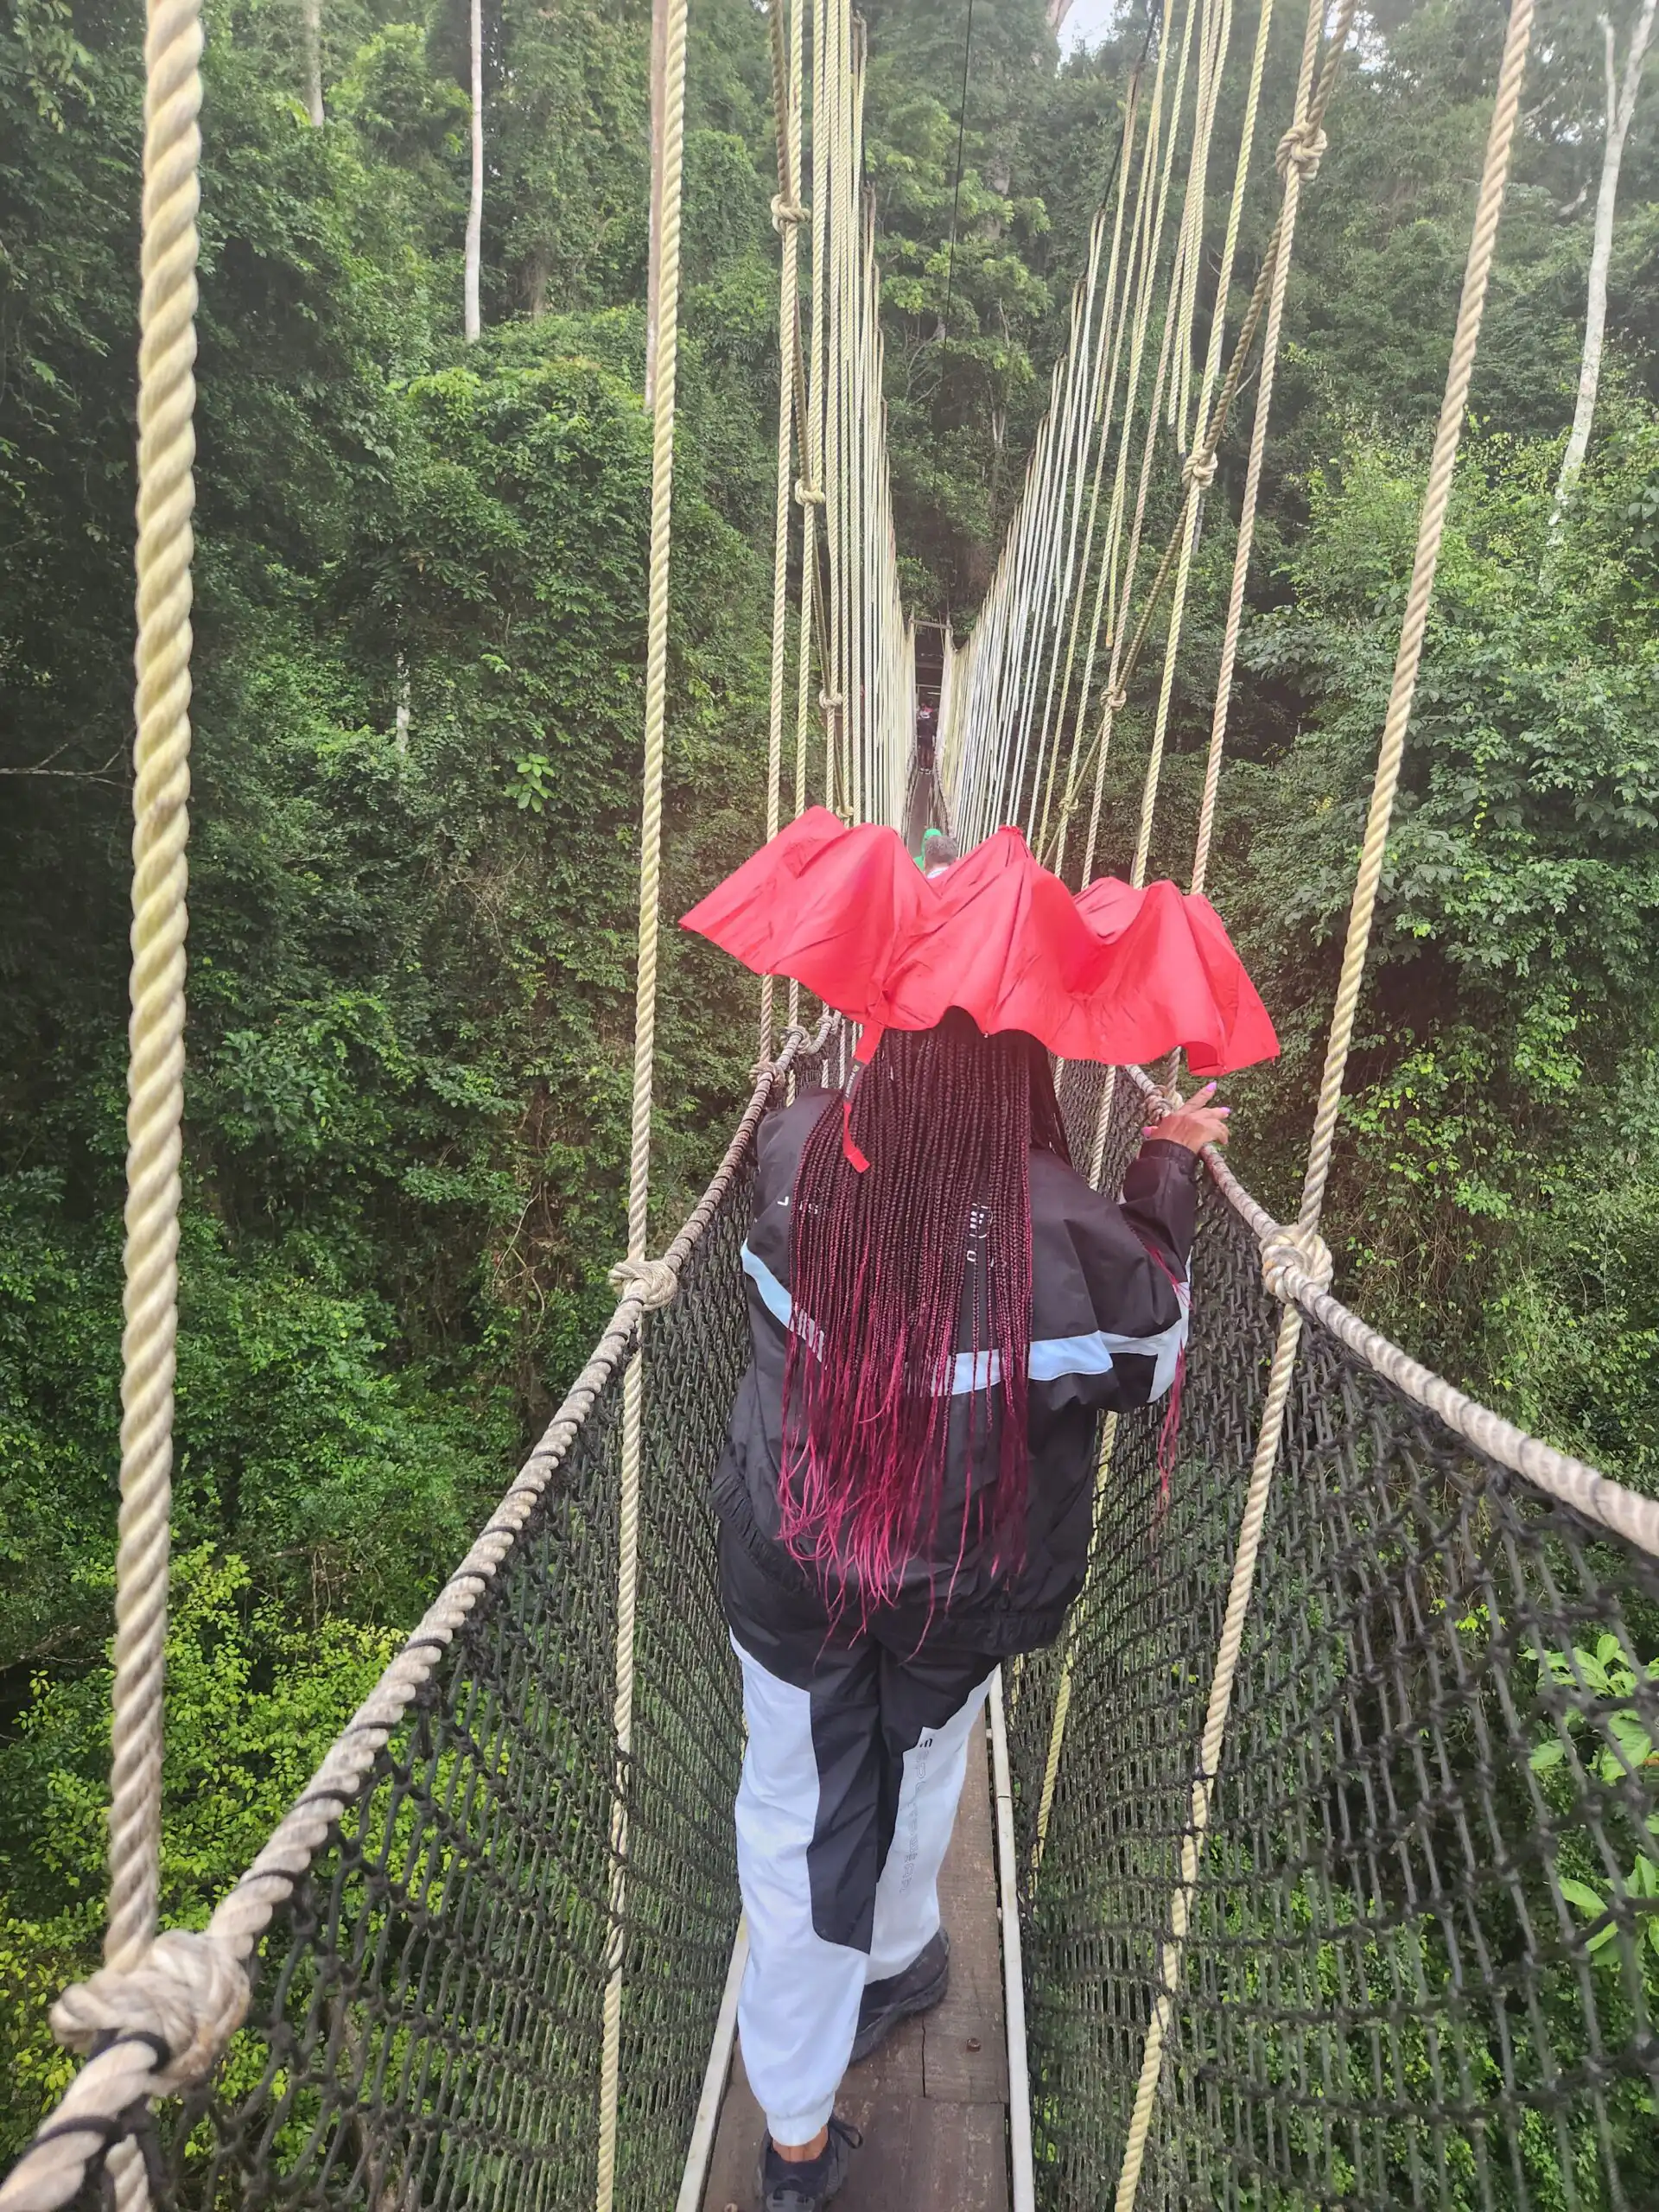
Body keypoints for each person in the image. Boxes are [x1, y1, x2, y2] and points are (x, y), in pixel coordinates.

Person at [711, 1010, 1231, 2211]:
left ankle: (796, 2131)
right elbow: (1151, 1358)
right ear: (1021, 1081)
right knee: (924, 1764)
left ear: (884, 1056)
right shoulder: (1064, 1222)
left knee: (798, 1817)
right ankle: (891, 1964)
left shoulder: (796, 1143)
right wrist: (1163, 1162)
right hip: (961, 1583)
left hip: (791, 1557)